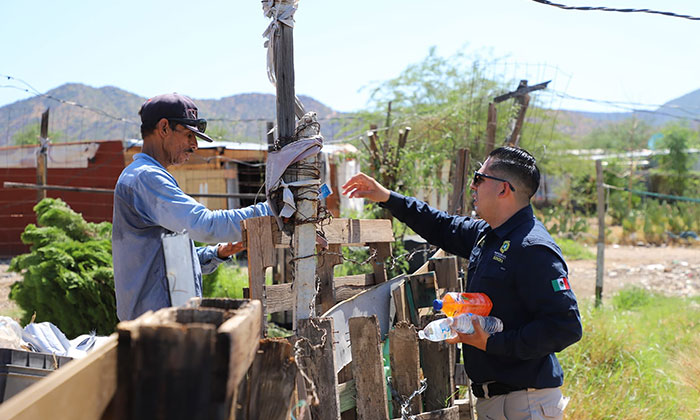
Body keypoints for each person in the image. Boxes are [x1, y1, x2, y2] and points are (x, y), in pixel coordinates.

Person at [342, 146, 582, 420]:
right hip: (497, 400)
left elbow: (565, 327)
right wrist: (386, 197)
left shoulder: (532, 248)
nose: (472, 186)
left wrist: (492, 343)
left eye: (479, 179)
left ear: (503, 189)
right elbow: (441, 226)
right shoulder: (488, 234)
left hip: (525, 402)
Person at [112, 93, 270, 321]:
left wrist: (215, 253)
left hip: (162, 323)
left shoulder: (148, 176)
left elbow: (165, 259)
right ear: (164, 128)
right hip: (155, 328)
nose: (194, 145)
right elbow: (203, 225)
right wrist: (271, 210)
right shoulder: (146, 178)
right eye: (188, 135)